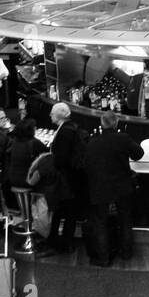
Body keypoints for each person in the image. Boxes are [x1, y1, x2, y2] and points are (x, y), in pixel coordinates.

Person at [83, 111, 143, 266]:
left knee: (101, 223)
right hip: (122, 186)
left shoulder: (92, 142)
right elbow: (139, 154)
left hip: (100, 187)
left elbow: (86, 164)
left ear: (102, 124)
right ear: (116, 123)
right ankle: (126, 253)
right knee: (125, 220)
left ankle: (103, 258)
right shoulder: (123, 138)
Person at [41, 102, 86, 257]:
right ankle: (66, 243)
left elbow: (61, 159)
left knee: (60, 211)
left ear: (59, 116)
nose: (50, 116)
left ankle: (58, 244)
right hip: (73, 179)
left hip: (66, 180)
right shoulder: (72, 128)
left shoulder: (65, 132)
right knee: (70, 213)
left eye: (52, 114)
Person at [6, 117, 47, 189]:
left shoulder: (14, 141)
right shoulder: (34, 143)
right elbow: (47, 153)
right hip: (27, 180)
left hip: (12, 178)